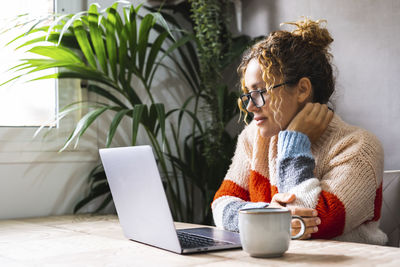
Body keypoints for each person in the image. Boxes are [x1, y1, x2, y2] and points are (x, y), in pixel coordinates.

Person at [211, 18, 387, 245]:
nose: (250, 106)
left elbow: (307, 225)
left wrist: (295, 142)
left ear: (302, 89)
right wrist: (268, 213)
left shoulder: (359, 147)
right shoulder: (253, 137)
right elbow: (221, 204)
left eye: (260, 92)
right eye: (248, 95)